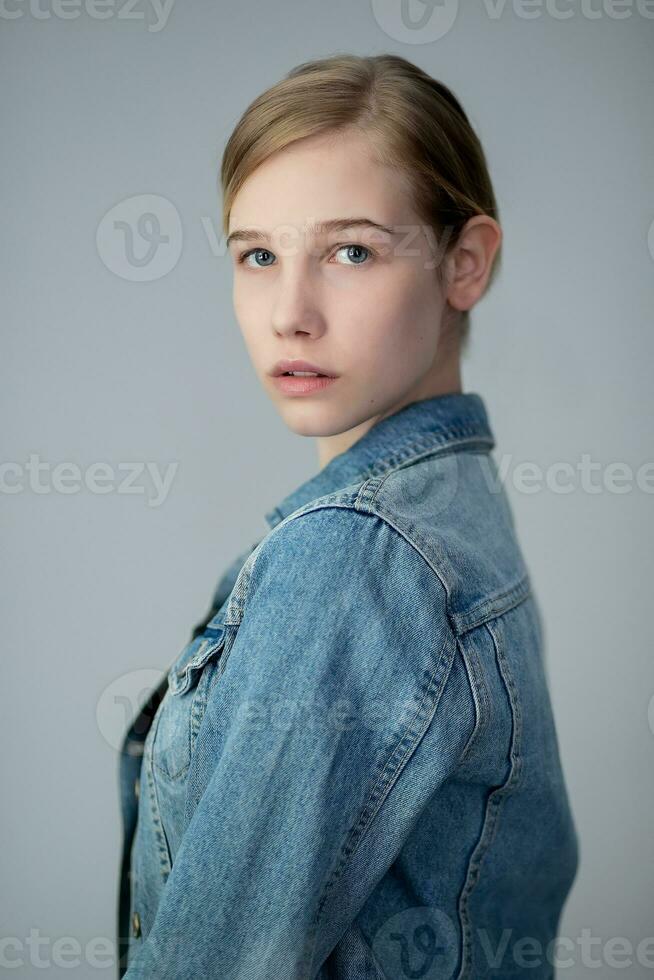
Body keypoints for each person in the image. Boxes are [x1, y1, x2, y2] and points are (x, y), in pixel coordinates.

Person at [117, 53, 579, 979]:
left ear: (465, 262)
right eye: (258, 255)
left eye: (351, 251)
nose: (289, 313)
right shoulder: (449, 509)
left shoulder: (364, 550)